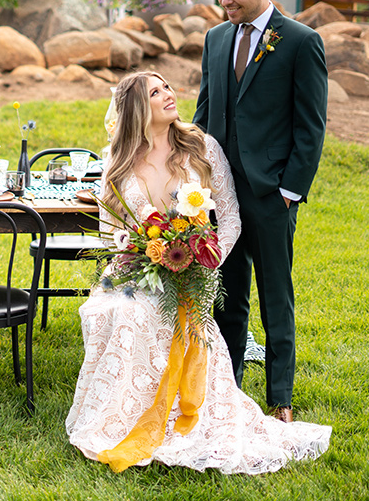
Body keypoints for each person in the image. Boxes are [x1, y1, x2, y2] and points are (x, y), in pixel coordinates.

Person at [66, 72, 330, 474]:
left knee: (152, 316)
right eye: (156, 93)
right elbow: (109, 228)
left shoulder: (201, 147)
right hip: (136, 272)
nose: (169, 95)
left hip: (191, 272)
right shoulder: (117, 161)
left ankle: (177, 417)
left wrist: (206, 259)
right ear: (138, 109)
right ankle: (125, 415)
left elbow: (229, 217)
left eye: (167, 87)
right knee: (121, 312)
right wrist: (131, 251)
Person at [193, 0, 328, 423]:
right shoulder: (215, 38)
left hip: (273, 193)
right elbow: (205, 114)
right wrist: (194, 177)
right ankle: (227, 392)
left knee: (276, 295)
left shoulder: (299, 41)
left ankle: (280, 398)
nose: (225, 2)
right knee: (227, 294)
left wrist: (290, 192)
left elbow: (310, 125)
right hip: (219, 194)